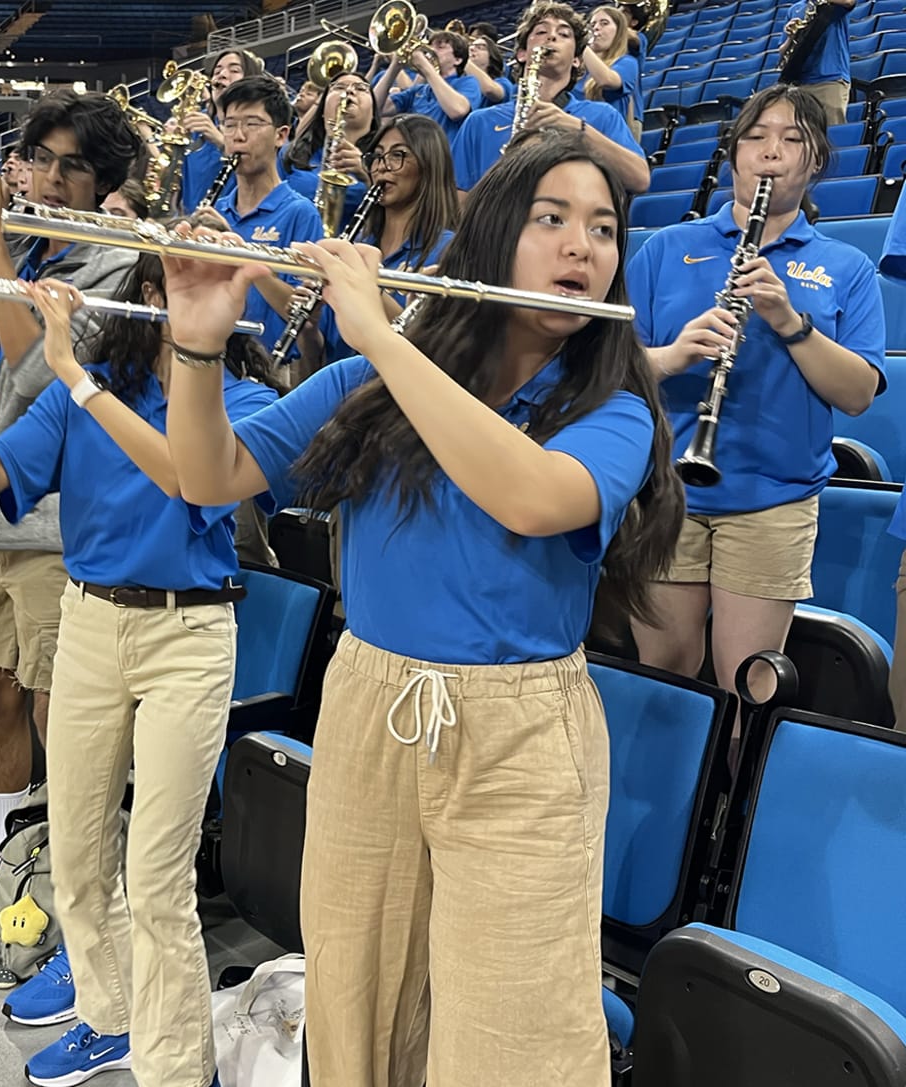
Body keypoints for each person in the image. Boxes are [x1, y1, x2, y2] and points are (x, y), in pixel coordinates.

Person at [161, 128, 683, 1087]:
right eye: (553, 219)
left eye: (605, 230)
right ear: (490, 238)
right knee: (357, 1003)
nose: (584, 247)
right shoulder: (370, 381)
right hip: (370, 705)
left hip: (522, 736)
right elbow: (208, 475)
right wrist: (195, 348)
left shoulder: (612, 409)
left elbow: (530, 495)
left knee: (511, 1033)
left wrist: (383, 339)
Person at [0, 240, 279, 1087]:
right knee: (78, 859)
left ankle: (178, 1068)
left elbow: (196, 482)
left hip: (188, 635)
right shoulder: (92, 391)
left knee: (156, 878)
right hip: (87, 622)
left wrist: (72, 375)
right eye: (174, 277)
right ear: (148, 291)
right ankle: (110, 1019)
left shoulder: (246, 392)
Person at [0, 90, 141, 942]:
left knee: (58, 716)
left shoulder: (116, 264)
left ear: (104, 178)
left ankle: (72, 892)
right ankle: (15, 868)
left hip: (59, 527)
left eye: (71, 163)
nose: (49, 176)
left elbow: (31, 366)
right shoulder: (16, 247)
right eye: (40, 157)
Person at [627, 85, 884, 752]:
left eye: (793, 138)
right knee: (664, 681)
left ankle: (725, 827)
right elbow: (610, 369)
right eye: (756, 136)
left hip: (774, 502)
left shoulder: (843, 268)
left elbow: (857, 393)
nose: (772, 149)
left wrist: (788, 320)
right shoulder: (664, 249)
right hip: (667, 496)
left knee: (746, 689)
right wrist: (675, 354)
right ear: (733, 153)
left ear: (816, 161)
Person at [451, 2, 650, 197]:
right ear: (521, 54)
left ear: (576, 60)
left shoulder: (602, 116)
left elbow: (640, 179)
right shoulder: (479, 122)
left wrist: (579, 131)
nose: (552, 36)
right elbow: (455, 202)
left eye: (564, 34)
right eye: (541, 32)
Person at [309, 114, 458, 371]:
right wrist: (308, 327)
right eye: (377, 156)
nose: (382, 166)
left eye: (397, 155)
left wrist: (368, 286)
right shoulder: (357, 245)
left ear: (429, 165)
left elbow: (429, 349)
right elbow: (319, 358)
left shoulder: (447, 251)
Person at [213, 75, 323, 355]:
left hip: (271, 370)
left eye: (252, 124)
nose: (238, 135)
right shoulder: (216, 212)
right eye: (229, 124)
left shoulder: (300, 213)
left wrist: (246, 260)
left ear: (281, 135)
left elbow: (302, 315)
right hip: (215, 360)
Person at [281, 70, 379, 233]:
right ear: (321, 108)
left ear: (374, 112)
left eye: (361, 88)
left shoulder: (383, 160)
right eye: (339, 87)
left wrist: (367, 176)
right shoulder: (291, 155)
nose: (349, 91)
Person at [178, 48, 265, 212]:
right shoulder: (196, 122)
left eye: (234, 70)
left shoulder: (260, 126)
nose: (222, 75)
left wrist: (220, 140)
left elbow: (260, 174)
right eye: (217, 71)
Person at [373, 30, 481, 142]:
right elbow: (374, 108)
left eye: (440, 47)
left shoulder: (467, 82)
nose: (431, 50)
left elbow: (458, 111)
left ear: (458, 60)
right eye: (430, 46)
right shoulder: (418, 90)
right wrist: (395, 66)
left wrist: (425, 66)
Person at [778, 0, 856, 127]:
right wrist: (790, 36)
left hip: (830, 79)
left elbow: (849, 2)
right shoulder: (795, 9)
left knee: (832, 133)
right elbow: (782, 52)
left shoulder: (832, 4)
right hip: (801, 84)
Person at [580, 6, 642, 142]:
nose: (596, 28)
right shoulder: (579, 67)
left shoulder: (628, 62)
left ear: (619, 32)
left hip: (609, 141)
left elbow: (607, 80)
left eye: (604, 23)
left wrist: (582, 44)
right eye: (592, 24)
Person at [465, 35, 514, 105]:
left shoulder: (503, 82)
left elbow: (489, 89)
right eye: (470, 46)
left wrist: (464, 60)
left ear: (491, 57)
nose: (472, 49)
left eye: (480, 47)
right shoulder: (462, 84)